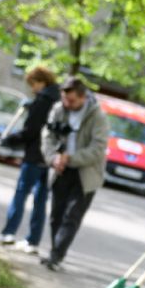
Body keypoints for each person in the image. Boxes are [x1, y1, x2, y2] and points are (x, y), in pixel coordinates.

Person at [38, 76, 108, 271]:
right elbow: (48, 137)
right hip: (61, 169)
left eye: (72, 101)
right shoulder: (59, 110)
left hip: (85, 174)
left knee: (72, 216)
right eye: (64, 100)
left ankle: (56, 255)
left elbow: (98, 148)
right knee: (56, 215)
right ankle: (55, 251)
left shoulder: (97, 117)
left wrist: (71, 158)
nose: (67, 104)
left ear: (83, 97)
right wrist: (54, 158)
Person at [0, 65, 60, 253]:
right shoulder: (60, 101)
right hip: (50, 159)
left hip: (34, 156)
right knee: (41, 200)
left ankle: (9, 232)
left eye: (33, 84)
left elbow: (32, 131)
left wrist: (9, 139)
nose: (33, 89)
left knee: (21, 193)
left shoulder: (42, 101)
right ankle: (33, 241)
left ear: (41, 82)